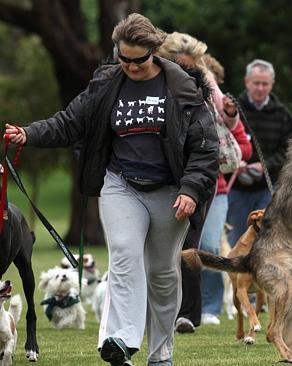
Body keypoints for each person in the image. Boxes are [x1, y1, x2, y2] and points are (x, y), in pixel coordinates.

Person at [5, 13, 219, 366]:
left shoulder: (182, 87)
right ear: (116, 53)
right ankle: (119, 341)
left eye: (139, 60)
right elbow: (70, 121)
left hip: (171, 191)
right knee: (123, 257)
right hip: (121, 184)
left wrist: (192, 190)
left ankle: (161, 352)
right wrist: (30, 133)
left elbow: (205, 148)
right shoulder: (107, 84)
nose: (131, 67)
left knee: (163, 273)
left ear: (154, 51)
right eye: (124, 59)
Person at [156, 32, 253, 331]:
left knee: (194, 245)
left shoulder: (203, 82)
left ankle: (191, 313)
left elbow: (227, 124)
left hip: (203, 177)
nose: (187, 72)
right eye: (180, 66)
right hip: (163, 175)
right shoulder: (151, 82)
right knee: (163, 249)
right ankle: (164, 310)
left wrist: (232, 116)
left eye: (192, 66)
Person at [228, 59, 292, 247]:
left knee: (265, 240)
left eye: (265, 84)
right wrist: (235, 163)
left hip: (268, 186)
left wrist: (264, 165)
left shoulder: (282, 114)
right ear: (246, 82)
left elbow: (288, 150)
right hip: (237, 188)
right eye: (256, 83)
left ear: (272, 84)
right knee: (238, 241)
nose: (260, 88)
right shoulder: (232, 109)